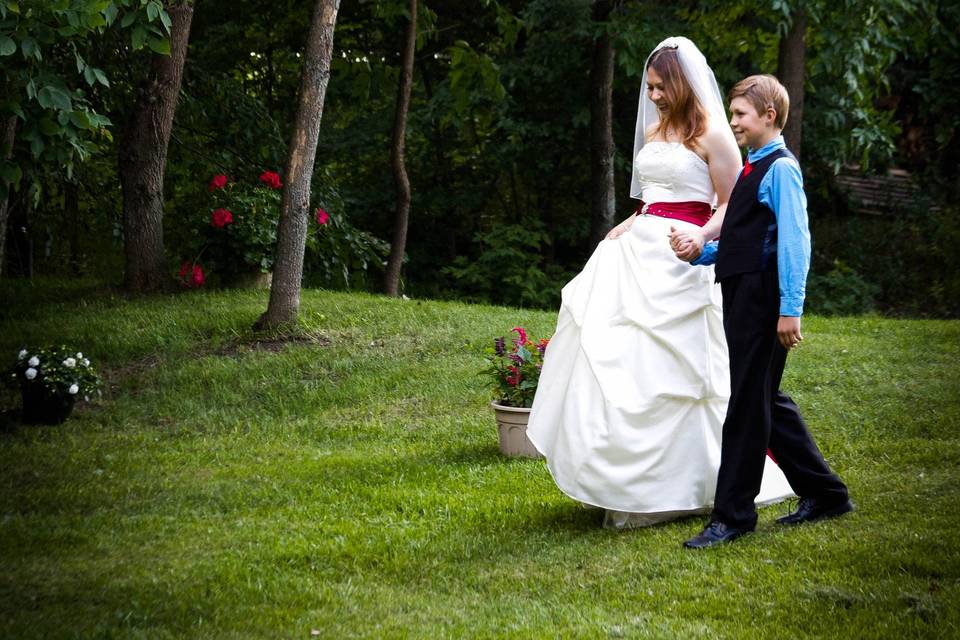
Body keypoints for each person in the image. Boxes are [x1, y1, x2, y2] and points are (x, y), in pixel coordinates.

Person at [525, 38, 794, 529]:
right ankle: (617, 481)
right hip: (638, 250)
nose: (652, 96)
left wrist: (700, 234)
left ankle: (693, 483)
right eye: (648, 87)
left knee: (680, 376)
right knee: (620, 364)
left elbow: (734, 204)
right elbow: (652, 197)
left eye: (659, 86)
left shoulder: (715, 136)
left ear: (681, 83)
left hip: (686, 257)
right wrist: (629, 223)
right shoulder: (652, 131)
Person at [670, 75, 853, 549]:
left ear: (769, 116)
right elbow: (745, 238)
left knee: (748, 405)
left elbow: (795, 243)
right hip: (742, 293)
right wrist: (701, 253)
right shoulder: (754, 167)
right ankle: (826, 492)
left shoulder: (781, 169)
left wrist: (790, 309)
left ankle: (732, 516)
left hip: (763, 299)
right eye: (732, 115)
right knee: (765, 398)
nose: (733, 124)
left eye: (740, 116)